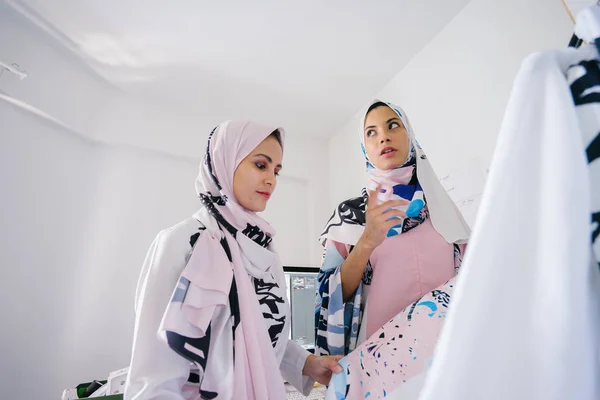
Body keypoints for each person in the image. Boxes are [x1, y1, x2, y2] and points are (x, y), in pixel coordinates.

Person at [125, 121, 341, 400]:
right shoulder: (184, 243)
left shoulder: (263, 248)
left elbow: (259, 336)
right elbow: (153, 379)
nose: (272, 180)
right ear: (224, 163)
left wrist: (308, 364)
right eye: (261, 165)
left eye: (277, 171)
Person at [315, 100, 470, 358]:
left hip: (447, 355)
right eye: (371, 132)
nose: (384, 137)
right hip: (382, 362)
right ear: (364, 147)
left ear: (409, 135)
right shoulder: (349, 216)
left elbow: (471, 280)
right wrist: (366, 241)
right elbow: (329, 294)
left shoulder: (443, 209)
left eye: (393, 125)